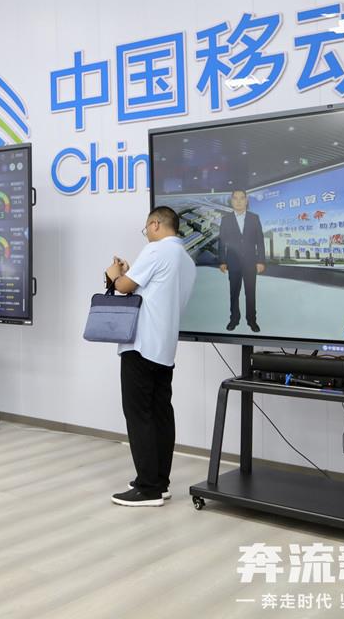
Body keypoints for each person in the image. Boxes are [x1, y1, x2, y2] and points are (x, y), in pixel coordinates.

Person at [105, 206, 196, 507]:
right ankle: (159, 481)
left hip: (141, 345)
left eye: (146, 229)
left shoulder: (156, 250)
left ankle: (147, 488)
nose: (147, 235)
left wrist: (114, 274)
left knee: (138, 414)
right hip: (164, 347)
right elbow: (152, 289)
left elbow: (124, 287)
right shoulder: (187, 260)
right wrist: (129, 273)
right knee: (160, 413)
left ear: (155, 224)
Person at [218, 189, 266, 333]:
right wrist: (222, 261)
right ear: (231, 201)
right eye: (235, 198)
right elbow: (222, 242)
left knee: (250, 293)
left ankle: (252, 320)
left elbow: (260, 241)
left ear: (246, 200)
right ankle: (234, 319)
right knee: (234, 293)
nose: (238, 201)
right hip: (233, 262)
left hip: (251, 262)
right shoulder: (226, 219)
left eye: (241, 198)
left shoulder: (254, 218)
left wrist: (261, 261)